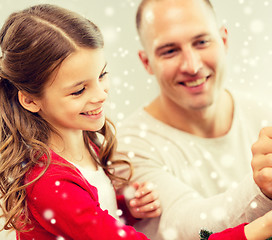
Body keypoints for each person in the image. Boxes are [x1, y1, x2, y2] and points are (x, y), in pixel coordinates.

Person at [115, 0, 272, 239]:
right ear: (146, 62)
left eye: (202, 42)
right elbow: (184, 228)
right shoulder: (129, 145)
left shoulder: (263, 112)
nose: (192, 66)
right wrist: (263, 191)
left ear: (223, 40)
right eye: (169, 51)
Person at [0, 4, 161, 239]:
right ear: (31, 100)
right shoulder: (49, 183)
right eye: (78, 91)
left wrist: (126, 208)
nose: (101, 95)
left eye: (102, 75)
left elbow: (87, 219)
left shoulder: (84, 144)